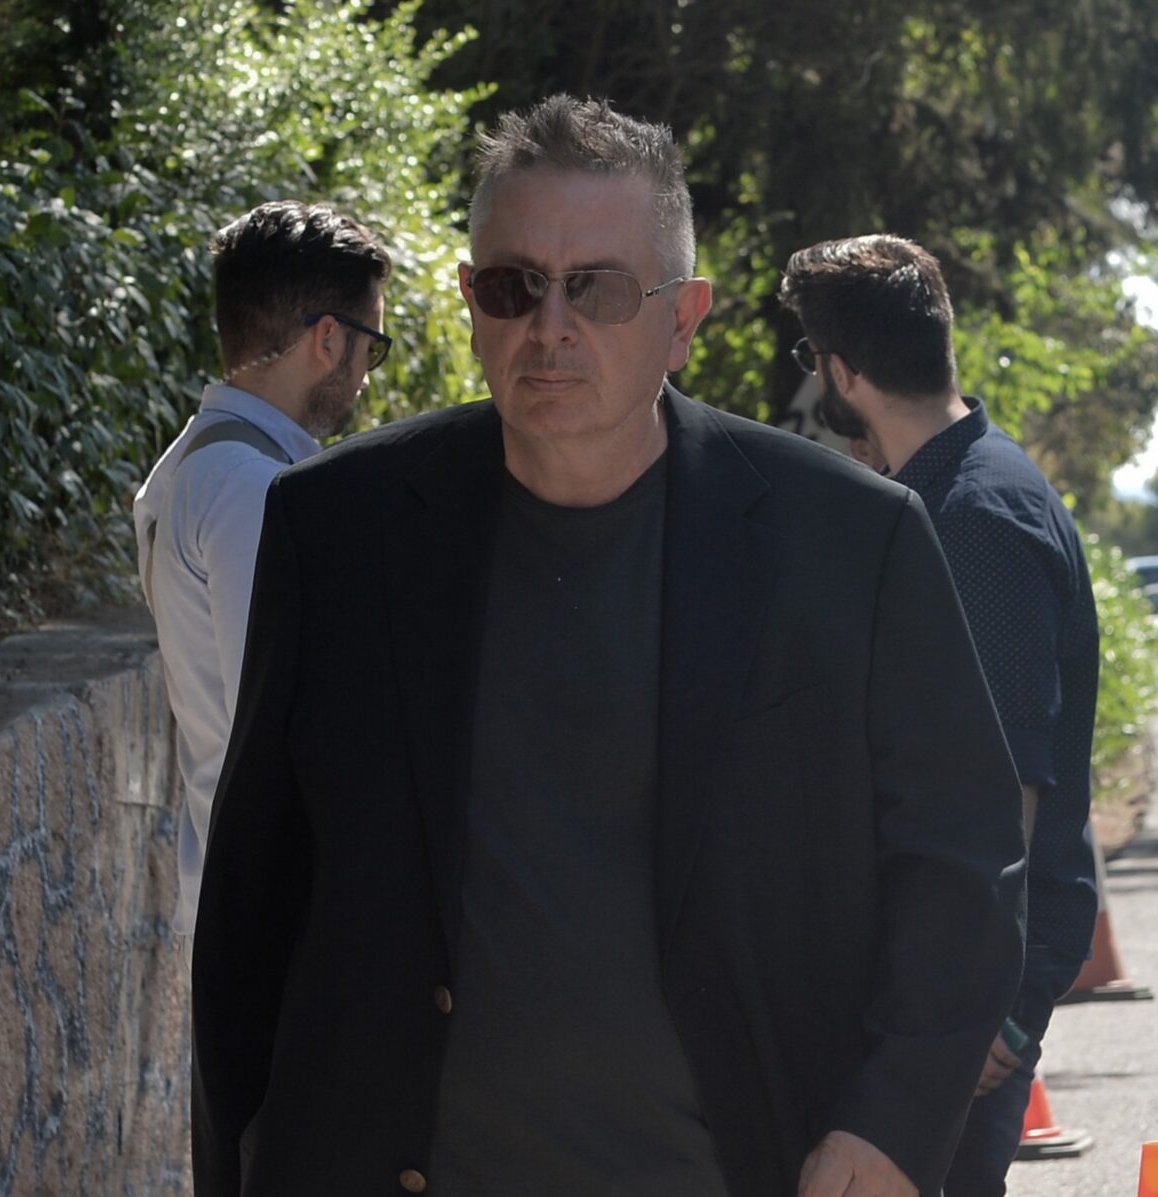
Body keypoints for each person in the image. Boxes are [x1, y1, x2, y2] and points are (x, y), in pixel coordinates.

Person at [189, 96, 1027, 1197]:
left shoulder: (849, 541)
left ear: (683, 319)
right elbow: (250, 908)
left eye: (598, 288)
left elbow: (963, 863)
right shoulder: (335, 530)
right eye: (514, 286)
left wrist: (890, 1124)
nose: (551, 326)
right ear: (470, 303)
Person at [779, 234, 1100, 1197]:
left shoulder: (972, 521)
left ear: (843, 373)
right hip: (954, 991)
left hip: (963, 1004)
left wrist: (973, 1012)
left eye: (812, 362)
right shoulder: (955, 489)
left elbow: (1004, 789)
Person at [132, 200, 391, 936]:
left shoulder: (193, 460)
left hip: (244, 900)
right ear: (329, 339)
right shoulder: (253, 488)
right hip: (281, 918)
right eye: (372, 347)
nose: (365, 376)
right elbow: (297, 729)